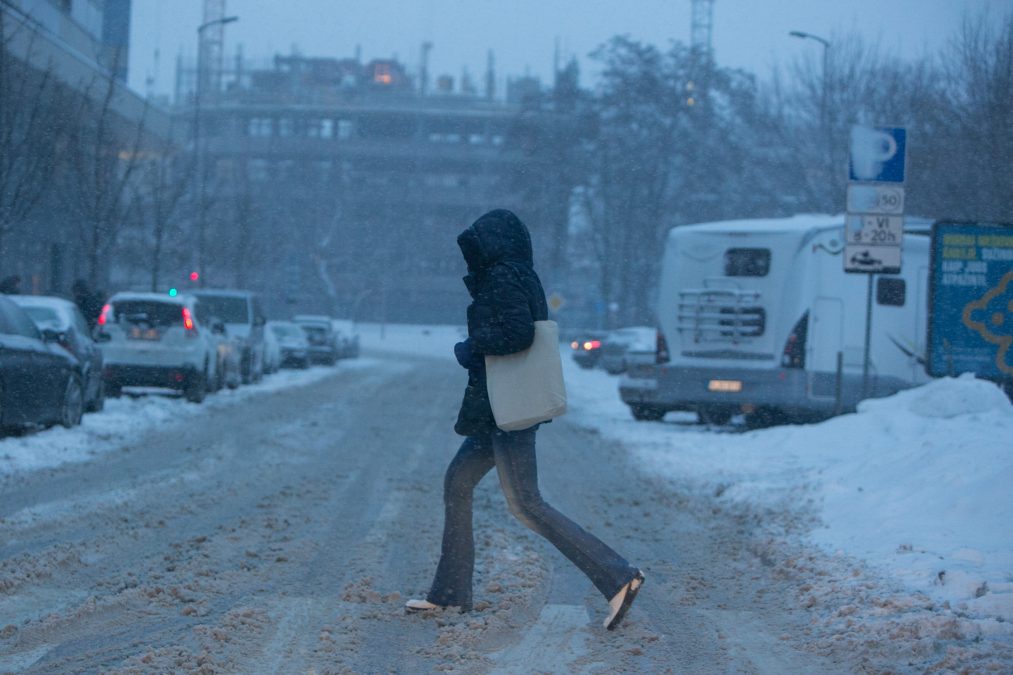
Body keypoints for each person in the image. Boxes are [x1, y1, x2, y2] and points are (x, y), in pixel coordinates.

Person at [406, 209, 644, 630]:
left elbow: (518, 334)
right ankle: (449, 595)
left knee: (526, 503)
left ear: (493, 243)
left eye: (478, 244)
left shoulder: (505, 276)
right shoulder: (516, 274)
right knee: (457, 483)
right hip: (496, 406)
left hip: (507, 408)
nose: (472, 253)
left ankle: (618, 576)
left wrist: (470, 348)